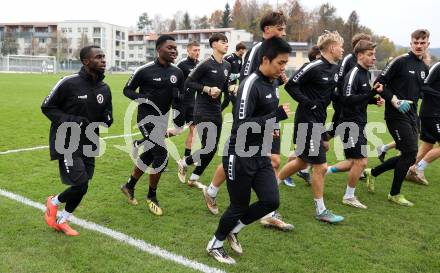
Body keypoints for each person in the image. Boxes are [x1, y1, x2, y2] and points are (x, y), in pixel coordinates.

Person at [202, 11, 293, 232]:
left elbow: (268, 82)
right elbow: (248, 83)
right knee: (241, 156)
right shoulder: (257, 52)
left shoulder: (277, 53)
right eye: (279, 29)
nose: (283, 33)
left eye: (284, 29)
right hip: (252, 113)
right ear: (267, 30)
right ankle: (213, 190)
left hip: (270, 114)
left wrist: (279, 81)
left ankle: (267, 209)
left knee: (272, 160)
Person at [42, 45, 113, 236]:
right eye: (98, 57)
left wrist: (107, 118)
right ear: (85, 61)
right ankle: (54, 202)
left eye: (104, 56)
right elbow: (47, 107)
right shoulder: (68, 82)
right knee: (80, 183)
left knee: (83, 184)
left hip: (90, 140)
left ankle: (62, 218)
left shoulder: (104, 88)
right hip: (67, 140)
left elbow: (107, 112)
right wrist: (74, 120)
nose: (103, 60)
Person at [279, 30, 345, 223]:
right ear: (332, 48)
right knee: (321, 165)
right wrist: (308, 103)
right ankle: (321, 210)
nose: (342, 50)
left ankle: (272, 185)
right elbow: (291, 85)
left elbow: (330, 94)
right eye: (341, 47)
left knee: (301, 161)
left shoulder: (334, 68)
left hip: (318, 121)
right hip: (307, 120)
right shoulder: (314, 66)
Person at [120, 35, 184, 215]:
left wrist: (179, 123)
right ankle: (152, 196)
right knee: (161, 155)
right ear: (158, 49)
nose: (174, 51)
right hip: (146, 119)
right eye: (170, 47)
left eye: (175, 48)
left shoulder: (177, 73)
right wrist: (142, 98)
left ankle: (129, 186)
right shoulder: (144, 70)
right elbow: (127, 90)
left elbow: (179, 100)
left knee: (149, 154)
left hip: (163, 120)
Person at [364, 29, 430, 206]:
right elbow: (378, 83)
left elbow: (422, 93)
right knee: (410, 153)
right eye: (416, 42)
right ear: (411, 43)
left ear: (427, 45)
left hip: (412, 116)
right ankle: (394, 194)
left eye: (422, 43)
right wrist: (395, 101)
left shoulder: (424, 67)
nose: (418, 46)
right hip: (395, 115)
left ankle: (373, 172)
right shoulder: (399, 61)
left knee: (408, 155)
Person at [177, 33, 231, 189]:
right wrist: (207, 89)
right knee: (208, 147)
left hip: (216, 111)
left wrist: (232, 88)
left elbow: (225, 87)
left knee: (212, 149)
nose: (226, 45)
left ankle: (193, 178)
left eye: (227, 42)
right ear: (214, 45)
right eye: (223, 42)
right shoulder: (205, 64)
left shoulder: (227, 65)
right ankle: (185, 162)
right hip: (202, 110)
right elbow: (189, 81)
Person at [339, 40, 384, 209]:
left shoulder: (366, 73)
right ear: (359, 55)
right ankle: (349, 196)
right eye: (370, 54)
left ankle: (323, 171)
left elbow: (361, 97)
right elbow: (347, 100)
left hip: (359, 122)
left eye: (374, 54)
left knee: (353, 162)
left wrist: (372, 100)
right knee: (361, 162)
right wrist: (371, 93)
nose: (374, 58)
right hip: (350, 123)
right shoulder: (354, 73)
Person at [324, 33, 372, 177]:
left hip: (353, 107)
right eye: (366, 44)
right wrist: (341, 100)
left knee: (333, 131)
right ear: (357, 46)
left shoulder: (365, 66)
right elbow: (339, 81)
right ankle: (308, 158)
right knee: (337, 130)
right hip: (343, 104)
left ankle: (354, 162)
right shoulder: (347, 60)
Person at [283, 45, 321, 187]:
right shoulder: (308, 68)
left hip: (317, 115)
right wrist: (307, 101)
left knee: (320, 147)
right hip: (306, 114)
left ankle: (303, 170)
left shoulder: (323, 69)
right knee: (302, 149)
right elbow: (292, 85)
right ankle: (286, 175)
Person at [406, 59, 440, 185]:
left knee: (428, 144)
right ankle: (419, 169)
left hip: (436, 114)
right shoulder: (437, 66)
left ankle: (409, 170)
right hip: (431, 113)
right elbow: (423, 86)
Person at [177, 41, 200, 160]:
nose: (197, 53)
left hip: (192, 102)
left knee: (193, 128)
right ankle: (150, 140)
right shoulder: (181, 64)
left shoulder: (200, 64)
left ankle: (187, 157)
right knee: (178, 131)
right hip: (180, 103)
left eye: (198, 50)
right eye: (195, 50)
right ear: (188, 51)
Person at [221, 42, 246, 111]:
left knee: (229, 102)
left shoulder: (240, 59)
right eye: (243, 50)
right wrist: (230, 76)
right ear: (239, 49)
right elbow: (222, 69)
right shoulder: (229, 58)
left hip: (234, 84)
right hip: (227, 83)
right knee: (233, 102)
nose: (244, 52)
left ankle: (217, 114)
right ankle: (216, 114)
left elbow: (239, 72)